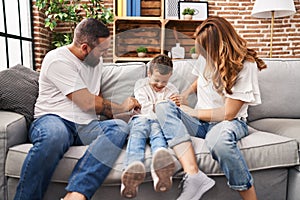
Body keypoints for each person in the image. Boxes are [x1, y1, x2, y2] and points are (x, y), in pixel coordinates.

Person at [14, 18, 141, 200]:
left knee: (119, 128)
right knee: (55, 135)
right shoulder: (57, 60)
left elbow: (99, 101)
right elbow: (87, 102)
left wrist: (125, 113)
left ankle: (76, 194)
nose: (104, 54)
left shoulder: (96, 62)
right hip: (53, 119)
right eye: (102, 50)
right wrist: (121, 105)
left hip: (86, 126)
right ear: (84, 48)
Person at [155, 16, 266, 200]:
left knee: (219, 143)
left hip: (227, 122)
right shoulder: (206, 56)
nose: (203, 56)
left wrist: (191, 111)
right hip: (200, 123)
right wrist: (184, 96)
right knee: (163, 107)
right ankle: (194, 176)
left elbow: (228, 113)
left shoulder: (246, 64)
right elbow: (200, 78)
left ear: (220, 46)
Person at [120, 55, 179, 198]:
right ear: (149, 74)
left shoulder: (172, 89)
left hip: (158, 123)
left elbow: (172, 113)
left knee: (159, 137)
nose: (159, 85)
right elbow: (145, 109)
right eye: (156, 80)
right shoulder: (141, 84)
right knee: (137, 136)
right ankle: (131, 173)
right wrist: (164, 106)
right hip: (140, 119)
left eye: (164, 81)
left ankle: (161, 175)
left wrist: (174, 105)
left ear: (170, 76)